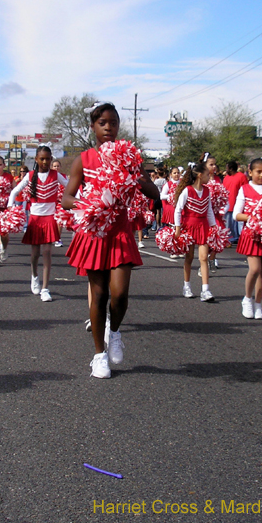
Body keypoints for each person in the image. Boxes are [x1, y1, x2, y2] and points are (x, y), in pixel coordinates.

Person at [62, 102, 159, 378]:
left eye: (113, 122)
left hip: (120, 232)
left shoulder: (128, 157)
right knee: (100, 293)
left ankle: (114, 332)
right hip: (94, 233)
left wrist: (133, 178)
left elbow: (153, 192)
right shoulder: (85, 159)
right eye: (102, 122)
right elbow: (66, 197)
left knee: (120, 294)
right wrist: (87, 204)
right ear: (93, 126)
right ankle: (98, 354)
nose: (108, 127)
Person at [9, 146, 67, 301]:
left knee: (47, 252)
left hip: (50, 218)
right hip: (34, 219)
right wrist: (10, 207)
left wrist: (81, 201)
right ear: (36, 159)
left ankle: (45, 288)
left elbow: (70, 187)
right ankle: (34, 276)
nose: (45, 162)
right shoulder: (30, 175)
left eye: (48, 159)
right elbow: (15, 192)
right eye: (42, 159)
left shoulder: (56, 175)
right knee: (35, 254)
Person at [233, 158, 262, 320]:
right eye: (258, 171)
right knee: (255, 269)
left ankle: (258, 303)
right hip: (251, 234)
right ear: (250, 172)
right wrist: (255, 217)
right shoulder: (244, 189)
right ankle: (247, 298)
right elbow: (237, 214)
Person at [174, 160, 217, 302]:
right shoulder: (187, 190)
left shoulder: (207, 190)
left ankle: (206, 290)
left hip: (203, 226)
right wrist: (178, 228)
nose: (209, 177)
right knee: (189, 257)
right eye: (207, 174)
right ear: (199, 175)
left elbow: (209, 210)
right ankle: (186, 286)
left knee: (204, 257)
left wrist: (213, 226)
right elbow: (178, 209)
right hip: (189, 226)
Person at [221, 160, 246, 245]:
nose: (226, 170)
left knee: (238, 224)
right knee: (229, 224)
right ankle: (231, 238)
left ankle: (239, 237)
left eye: (227, 168)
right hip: (228, 205)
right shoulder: (226, 178)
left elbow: (245, 189)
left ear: (231, 169)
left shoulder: (241, 177)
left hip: (238, 204)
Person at [51, 158, 67, 247]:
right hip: (51, 202)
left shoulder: (64, 176)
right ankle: (50, 237)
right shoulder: (49, 176)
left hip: (61, 202)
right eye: (54, 166)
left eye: (57, 166)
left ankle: (58, 238)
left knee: (60, 220)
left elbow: (68, 187)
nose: (56, 168)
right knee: (52, 221)